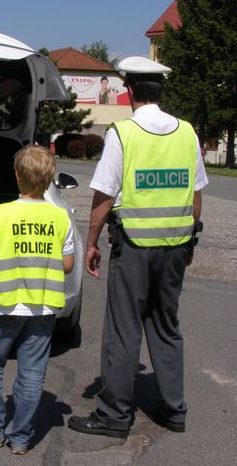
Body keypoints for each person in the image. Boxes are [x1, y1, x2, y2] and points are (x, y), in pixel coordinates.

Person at [67, 57, 208, 438]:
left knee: (123, 329)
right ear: (160, 92)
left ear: (129, 92)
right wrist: (191, 238)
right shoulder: (187, 133)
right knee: (166, 325)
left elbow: (104, 195)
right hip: (176, 245)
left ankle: (114, 415)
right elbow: (196, 195)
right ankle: (174, 409)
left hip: (134, 247)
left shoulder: (123, 134)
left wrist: (92, 241)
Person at [0, 146, 75, 454]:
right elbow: (68, 263)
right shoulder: (60, 217)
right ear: (49, 179)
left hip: (7, 303)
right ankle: (20, 437)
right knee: (33, 371)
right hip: (44, 305)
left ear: (17, 176)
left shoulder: (3, 213)